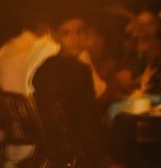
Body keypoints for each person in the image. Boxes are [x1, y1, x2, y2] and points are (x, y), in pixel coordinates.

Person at [31, 14, 121, 168]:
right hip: (80, 155)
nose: (75, 39)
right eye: (66, 33)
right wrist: (104, 160)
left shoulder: (43, 70)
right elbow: (85, 121)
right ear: (54, 36)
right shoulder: (78, 72)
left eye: (80, 32)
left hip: (58, 152)